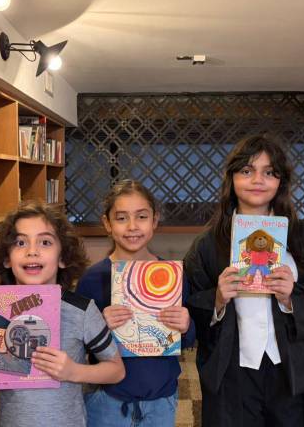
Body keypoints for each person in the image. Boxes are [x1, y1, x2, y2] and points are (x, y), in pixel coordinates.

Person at [183, 134, 304, 426]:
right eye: (247, 170)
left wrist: (290, 298)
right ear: (231, 178)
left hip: (290, 367)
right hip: (232, 368)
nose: (258, 180)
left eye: (269, 172)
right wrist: (217, 300)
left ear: (280, 181)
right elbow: (189, 303)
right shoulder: (207, 245)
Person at [0, 201, 126, 427]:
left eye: (45, 242)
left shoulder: (81, 310)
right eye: (20, 242)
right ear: (7, 258)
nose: (32, 251)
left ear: (63, 256)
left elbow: (116, 371)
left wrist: (74, 371)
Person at [76, 179, 195, 426]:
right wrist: (98, 326)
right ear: (107, 223)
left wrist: (186, 325)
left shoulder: (173, 276)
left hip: (161, 398)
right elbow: (78, 346)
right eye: (121, 218)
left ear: (154, 220)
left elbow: (188, 340)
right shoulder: (92, 278)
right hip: (108, 399)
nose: (132, 226)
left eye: (141, 217)